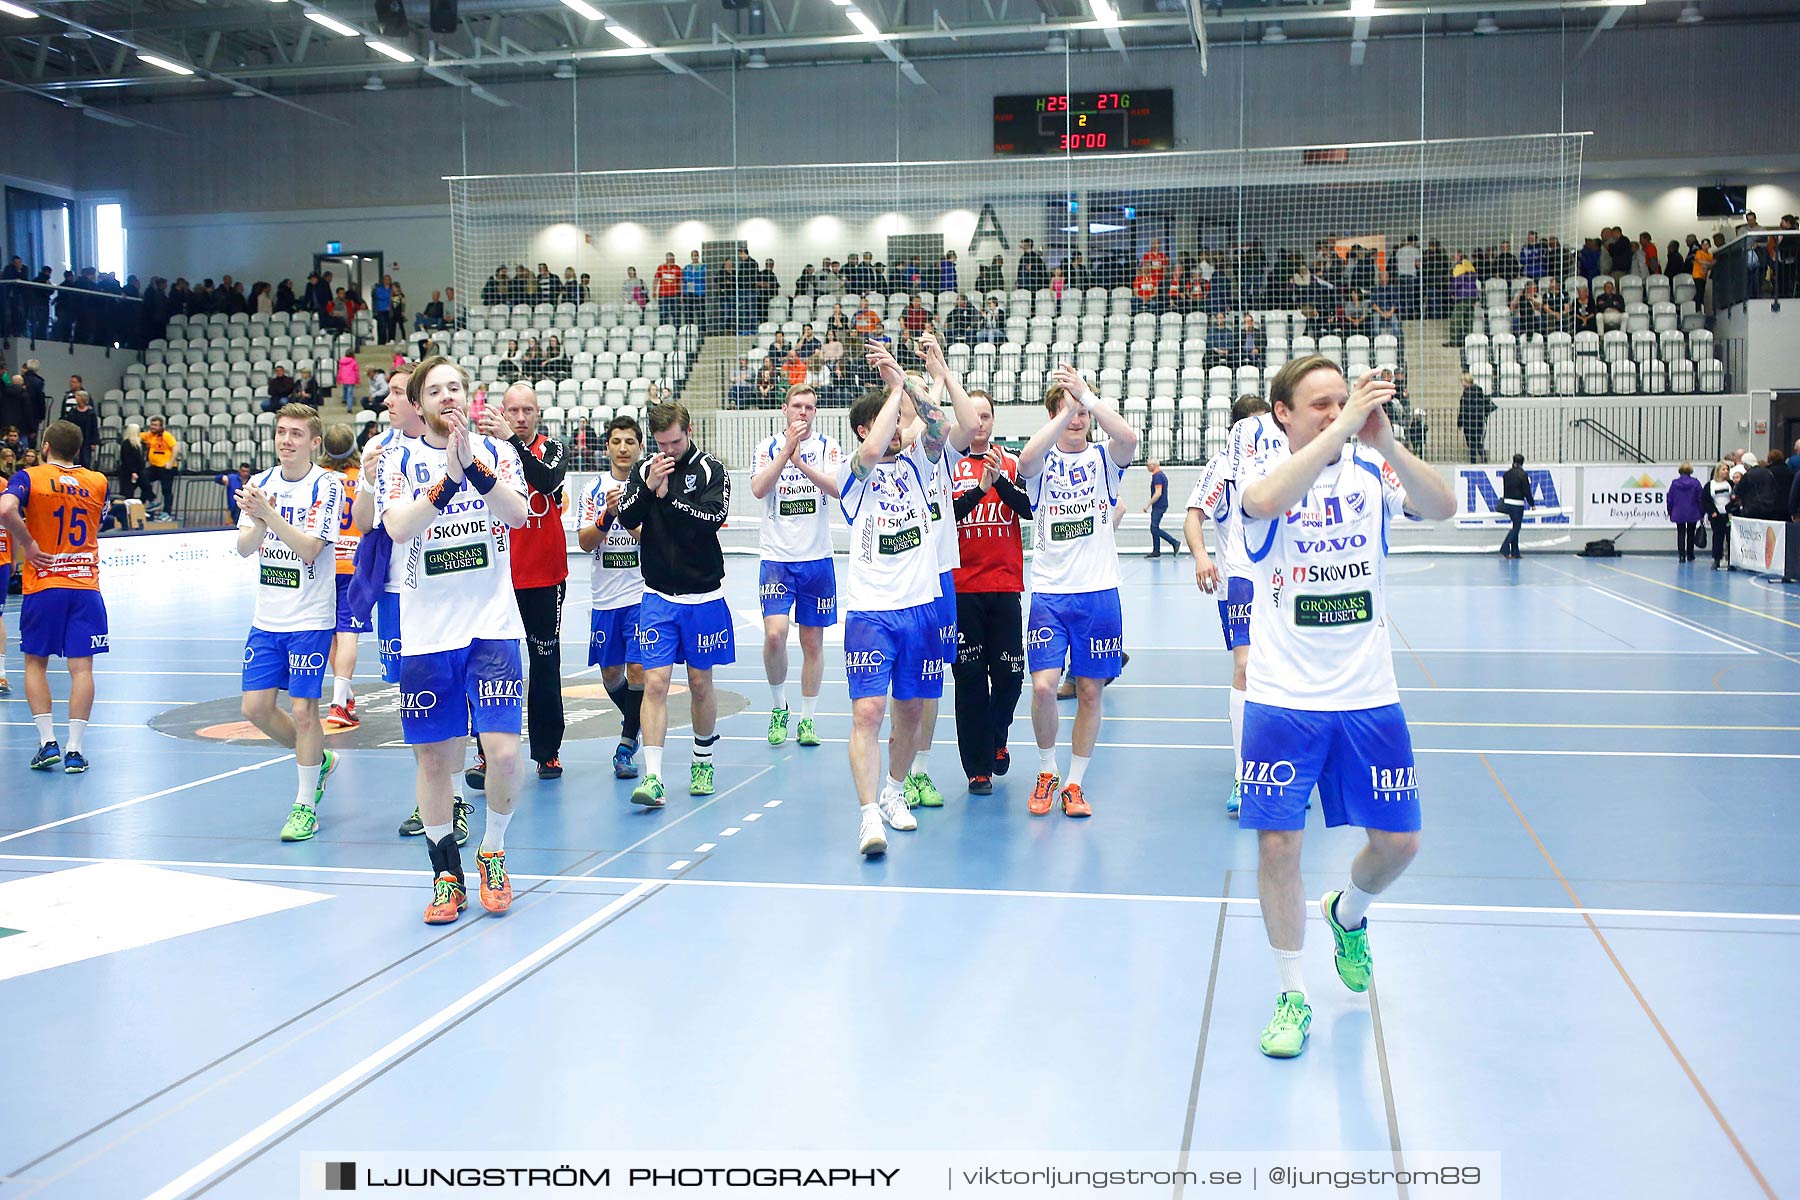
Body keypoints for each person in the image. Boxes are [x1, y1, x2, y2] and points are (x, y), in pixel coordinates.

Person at [1235, 357, 1457, 1059]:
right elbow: (1265, 504)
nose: (1338, 413)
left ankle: (1348, 911)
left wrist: (1386, 443)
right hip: (1282, 698)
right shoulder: (1263, 476)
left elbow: (1445, 507)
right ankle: (1292, 993)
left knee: (1401, 844)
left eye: (1345, 401)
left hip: (1368, 696)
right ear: (1284, 414)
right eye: (1322, 404)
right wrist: (1339, 435)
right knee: (1278, 846)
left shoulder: (1372, 475)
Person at [375, 356, 531, 924]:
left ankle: (493, 850)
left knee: (507, 756)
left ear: (468, 396)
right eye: (435, 390)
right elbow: (396, 526)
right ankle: (445, 874)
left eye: (455, 388)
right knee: (436, 761)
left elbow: (518, 516)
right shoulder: (397, 457)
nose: (448, 397)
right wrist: (449, 477)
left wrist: (474, 467)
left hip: (491, 626)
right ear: (418, 404)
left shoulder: (499, 451)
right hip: (426, 635)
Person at [838, 345, 949, 856]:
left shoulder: (921, 466)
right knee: (868, 713)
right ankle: (867, 818)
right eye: (891, 421)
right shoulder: (853, 473)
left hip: (921, 607)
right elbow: (869, 451)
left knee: (910, 712)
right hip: (871, 613)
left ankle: (894, 792)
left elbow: (939, 424)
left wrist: (903, 379)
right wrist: (896, 390)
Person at [1018, 362, 1139, 819]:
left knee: (1090, 691)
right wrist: (1064, 406)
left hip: (1099, 593)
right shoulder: (1041, 464)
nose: (1076, 419)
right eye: (1067, 412)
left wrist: (1087, 397)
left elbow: (1127, 439)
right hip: (1050, 594)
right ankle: (1047, 770)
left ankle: (1074, 783)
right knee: (1045, 687)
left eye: (1082, 414)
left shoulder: (1103, 460)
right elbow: (1026, 459)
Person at [235, 404, 346, 841]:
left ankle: (304, 805)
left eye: (296, 434)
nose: (286, 440)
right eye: (282, 432)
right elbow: (245, 547)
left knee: (304, 711)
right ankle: (318, 760)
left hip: (310, 618)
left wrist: (270, 514)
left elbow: (310, 549)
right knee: (255, 708)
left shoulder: (328, 485)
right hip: (268, 617)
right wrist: (261, 517)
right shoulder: (259, 483)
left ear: (314, 442)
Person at [616, 401, 734, 808]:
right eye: (662, 443)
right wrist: (649, 488)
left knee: (700, 683)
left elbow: (710, 518)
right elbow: (627, 514)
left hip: (703, 595)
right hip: (658, 596)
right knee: (656, 682)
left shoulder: (710, 469)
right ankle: (654, 777)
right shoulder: (647, 468)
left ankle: (703, 758)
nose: (669, 450)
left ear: (690, 430)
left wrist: (666, 500)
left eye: (676, 441)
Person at [1185, 394, 1287, 817]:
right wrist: (1202, 556)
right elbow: (1193, 516)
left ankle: (1284, 764)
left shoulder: (1286, 462)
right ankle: (1245, 775)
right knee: (1246, 669)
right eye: (1254, 425)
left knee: (1283, 673)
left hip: (1285, 581)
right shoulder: (1222, 467)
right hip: (1241, 580)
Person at [469, 382, 568, 782]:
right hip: (495, 579)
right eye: (514, 411)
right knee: (488, 668)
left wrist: (513, 442)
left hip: (545, 576)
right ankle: (485, 754)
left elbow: (544, 482)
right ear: (502, 412)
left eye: (529, 411)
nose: (521, 418)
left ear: (538, 414)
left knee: (545, 664)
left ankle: (548, 752)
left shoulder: (553, 449)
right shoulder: (481, 453)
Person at [0, 420, 110, 773]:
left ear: (45, 445)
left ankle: (48, 742)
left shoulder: (30, 477)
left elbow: (5, 510)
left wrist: (29, 545)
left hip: (44, 584)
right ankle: (75, 749)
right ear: (78, 450)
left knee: (35, 663)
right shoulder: (98, 482)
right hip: (84, 586)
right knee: (82, 669)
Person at [751, 384, 844, 749]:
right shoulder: (767, 446)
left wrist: (801, 463)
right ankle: (778, 708)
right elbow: (759, 488)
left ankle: (807, 718)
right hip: (776, 558)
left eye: (809, 407)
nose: (802, 412)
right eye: (797, 406)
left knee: (811, 641)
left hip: (817, 559)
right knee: (775, 634)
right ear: (784, 409)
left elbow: (836, 488)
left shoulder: (828, 446)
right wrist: (785, 454)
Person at [949, 387, 1028, 794]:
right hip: (963, 590)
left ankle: (998, 735)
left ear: (994, 421)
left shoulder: (1012, 464)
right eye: (973, 416)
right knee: (970, 680)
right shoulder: (947, 464)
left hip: (1005, 585)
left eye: (986, 416)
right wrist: (981, 488)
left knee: (1011, 676)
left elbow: (1031, 510)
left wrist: (1000, 483)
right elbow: (948, 516)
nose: (979, 424)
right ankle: (977, 767)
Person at [577, 416, 651, 779]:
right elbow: (586, 542)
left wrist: (628, 515)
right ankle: (638, 718)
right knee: (611, 675)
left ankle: (625, 743)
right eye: (617, 441)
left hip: (642, 594)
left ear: (640, 447)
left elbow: (654, 540)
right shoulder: (592, 489)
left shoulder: (649, 487)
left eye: (630, 442)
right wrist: (607, 514)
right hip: (604, 599)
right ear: (607, 447)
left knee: (637, 668)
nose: (623, 448)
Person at [317, 428, 366, 730]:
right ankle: (338, 702)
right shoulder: (362, 477)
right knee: (348, 633)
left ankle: (344, 694)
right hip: (353, 565)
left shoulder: (317, 478)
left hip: (322, 565)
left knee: (334, 633)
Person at [1666, 462, 1705, 563]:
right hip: (1692, 511)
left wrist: (1670, 511)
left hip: (1679, 512)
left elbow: (1670, 499)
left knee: (1681, 533)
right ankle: (1690, 554)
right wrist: (1702, 512)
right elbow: (1700, 498)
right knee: (1691, 533)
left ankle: (1681, 556)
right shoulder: (1695, 483)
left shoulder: (1674, 483)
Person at [140, 416, 179, 516]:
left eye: (156, 425)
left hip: (166, 467)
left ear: (161, 426)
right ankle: (148, 502)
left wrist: (170, 463)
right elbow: (137, 436)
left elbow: (175, 448)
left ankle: (167, 513)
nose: (153, 427)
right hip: (155, 466)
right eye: (152, 425)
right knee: (143, 479)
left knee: (166, 490)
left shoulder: (166, 435)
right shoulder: (149, 435)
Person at [1497, 452, 1533, 558]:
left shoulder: (1506, 474)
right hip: (1517, 504)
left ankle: (1515, 552)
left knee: (1515, 526)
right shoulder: (1523, 474)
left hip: (1507, 503)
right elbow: (1527, 491)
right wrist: (1532, 504)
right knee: (1517, 527)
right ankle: (1505, 547)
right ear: (1522, 463)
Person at [1143, 458, 1180, 558]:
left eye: (1148, 465)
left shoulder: (1157, 476)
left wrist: (1148, 504)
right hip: (1160, 505)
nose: (1147, 467)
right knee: (1154, 527)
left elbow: (1158, 493)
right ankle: (1156, 551)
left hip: (1159, 505)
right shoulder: (1160, 475)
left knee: (1154, 528)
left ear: (1154, 465)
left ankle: (1174, 542)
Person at [1456, 373, 1494, 462]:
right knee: (1477, 442)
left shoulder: (1466, 394)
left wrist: (1460, 423)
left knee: (1471, 443)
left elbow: (1464, 409)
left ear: (1466, 381)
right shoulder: (1479, 392)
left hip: (1469, 421)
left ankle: (1473, 461)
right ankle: (1484, 459)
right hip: (1479, 421)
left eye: (1462, 381)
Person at [1705, 462, 1733, 570]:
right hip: (1716, 515)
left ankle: (1731, 560)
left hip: (1728, 515)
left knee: (1730, 538)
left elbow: (1735, 498)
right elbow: (1705, 500)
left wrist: (1730, 508)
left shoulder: (1730, 484)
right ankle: (1717, 559)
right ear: (1718, 471)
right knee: (1717, 537)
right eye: (1723, 469)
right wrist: (1712, 511)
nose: (1726, 471)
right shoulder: (1710, 485)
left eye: (1727, 469)